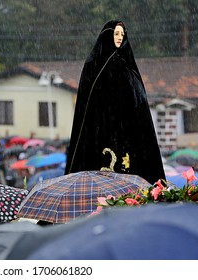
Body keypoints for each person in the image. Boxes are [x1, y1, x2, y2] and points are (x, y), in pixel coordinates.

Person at [65, 20, 165, 184]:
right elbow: (90, 103)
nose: (119, 38)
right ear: (107, 36)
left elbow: (138, 101)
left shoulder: (128, 65)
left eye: (122, 35)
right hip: (102, 130)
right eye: (116, 34)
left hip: (128, 130)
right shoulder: (95, 64)